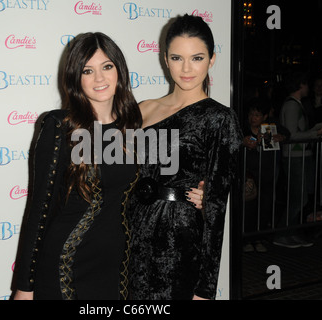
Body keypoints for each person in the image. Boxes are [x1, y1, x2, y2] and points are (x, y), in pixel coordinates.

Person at [13, 32, 204, 300]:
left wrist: (200, 194)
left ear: (119, 70)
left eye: (107, 67)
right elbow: (38, 212)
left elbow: (166, 182)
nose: (99, 78)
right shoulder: (59, 126)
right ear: (75, 78)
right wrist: (24, 287)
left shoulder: (136, 125)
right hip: (66, 265)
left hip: (119, 268)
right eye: (87, 70)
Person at [127, 14, 242, 300]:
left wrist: (205, 290)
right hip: (130, 234)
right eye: (177, 58)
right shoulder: (143, 109)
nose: (187, 68)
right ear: (166, 59)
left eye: (197, 58)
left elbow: (216, 215)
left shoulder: (220, 119)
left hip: (178, 244)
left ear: (212, 60)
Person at [274, 72, 322, 248]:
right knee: (298, 198)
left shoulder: (296, 104)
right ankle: (282, 233)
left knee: (300, 197)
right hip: (295, 156)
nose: (309, 87)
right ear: (300, 85)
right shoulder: (292, 105)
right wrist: (317, 133)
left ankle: (290, 232)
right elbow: (292, 135)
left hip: (300, 155)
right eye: (306, 84)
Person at [242, 98, 290, 253]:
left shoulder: (270, 128)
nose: (252, 118)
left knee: (265, 206)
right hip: (249, 175)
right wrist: (242, 142)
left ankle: (259, 237)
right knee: (249, 207)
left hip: (267, 174)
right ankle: (247, 239)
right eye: (251, 114)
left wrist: (281, 137)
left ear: (264, 117)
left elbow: (287, 133)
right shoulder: (243, 129)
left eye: (256, 115)